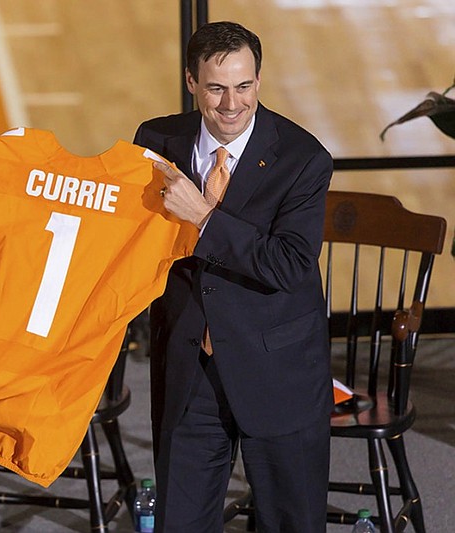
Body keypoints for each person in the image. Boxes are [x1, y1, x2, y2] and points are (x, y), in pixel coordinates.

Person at [134, 22, 334, 532]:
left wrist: (203, 218)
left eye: (244, 86)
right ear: (191, 82)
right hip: (189, 366)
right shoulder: (154, 141)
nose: (231, 103)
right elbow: (105, 217)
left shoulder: (303, 157)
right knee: (181, 521)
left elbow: (289, 263)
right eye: (217, 87)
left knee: (290, 522)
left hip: (278, 369)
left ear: (259, 82)